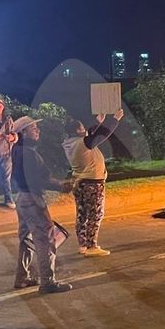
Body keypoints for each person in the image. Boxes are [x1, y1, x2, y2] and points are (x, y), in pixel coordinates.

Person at [10, 116, 73, 294]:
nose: (38, 131)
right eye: (34, 128)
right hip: (33, 200)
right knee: (46, 239)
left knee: (26, 239)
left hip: (22, 198)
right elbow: (41, 179)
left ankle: (22, 277)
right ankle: (48, 282)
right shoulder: (29, 153)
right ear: (23, 133)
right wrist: (62, 186)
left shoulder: (17, 150)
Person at [62, 109, 124, 258]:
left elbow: (90, 133)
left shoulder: (69, 143)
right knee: (95, 214)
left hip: (79, 183)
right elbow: (101, 136)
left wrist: (98, 122)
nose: (85, 129)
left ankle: (83, 244)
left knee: (82, 214)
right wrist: (115, 120)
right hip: (93, 183)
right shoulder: (84, 143)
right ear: (78, 130)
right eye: (82, 127)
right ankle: (92, 245)